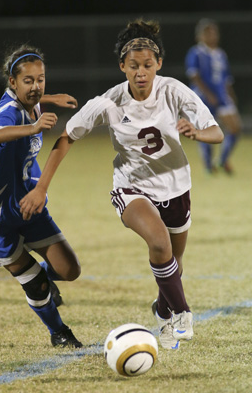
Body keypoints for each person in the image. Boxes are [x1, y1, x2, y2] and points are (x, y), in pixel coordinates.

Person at [19, 20, 224, 350]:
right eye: (133, 66)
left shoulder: (174, 90)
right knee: (159, 244)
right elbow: (67, 137)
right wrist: (42, 187)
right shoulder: (109, 101)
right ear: (122, 67)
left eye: (147, 65)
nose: (141, 72)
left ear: (158, 64)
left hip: (176, 188)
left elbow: (217, 133)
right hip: (131, 187)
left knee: (174, 261)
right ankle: (182, 314)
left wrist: (196, 133)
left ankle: (162, 309)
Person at [0, 44, 82, 348]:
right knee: (37, 285)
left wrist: (49, 98)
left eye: (40, 79)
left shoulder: (32, 103)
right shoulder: (9, 114)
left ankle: (42, 276)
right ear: (12, 83)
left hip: (25, 201)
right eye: (28, 81)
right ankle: (59, 332)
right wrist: (32, 127)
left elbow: (37, 100)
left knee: (69, 269)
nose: (36, 86)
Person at [185, 18, 241, 174]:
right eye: (208, 33)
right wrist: (208, 94)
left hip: (221, 96)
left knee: (235, 127)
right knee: (205, 132)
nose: (212, 36)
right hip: (203, 97)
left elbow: (226, 78)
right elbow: (194, 76)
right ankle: (209, 166)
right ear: (200, 36)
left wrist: (231, 95)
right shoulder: (196, 52)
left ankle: (222, 161)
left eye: (214, 32)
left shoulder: (221, 54)